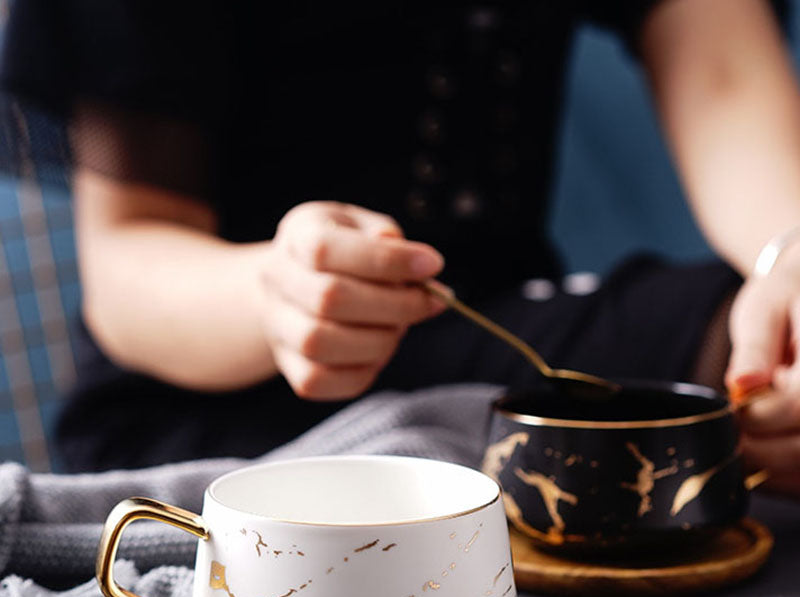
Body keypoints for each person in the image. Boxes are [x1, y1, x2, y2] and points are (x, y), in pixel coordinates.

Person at [1, 0, 800, 493]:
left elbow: (723, 72)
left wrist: (790, 262)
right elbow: (128, 267)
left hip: (501, 334)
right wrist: (276, 294)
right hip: (225, 393)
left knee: (760, 356)